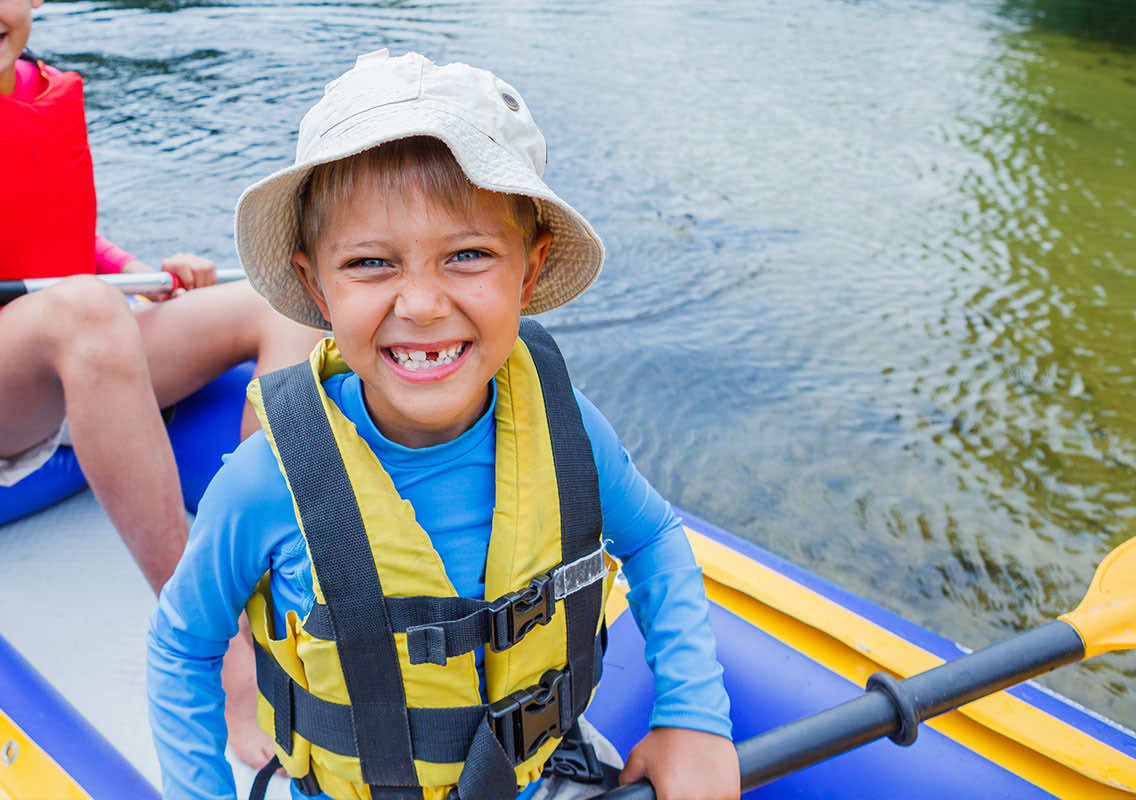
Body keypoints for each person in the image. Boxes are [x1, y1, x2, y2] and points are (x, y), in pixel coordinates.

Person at [146, 50, 740, 800]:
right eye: (369, 263)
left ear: (528, 272)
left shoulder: (569, 434)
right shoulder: (267, 482)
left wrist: (694, 716)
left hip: (544, 776)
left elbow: (654, 540)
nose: (422, 304)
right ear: (314, 285)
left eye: (467, 255)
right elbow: (180, 648)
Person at [0, 0, 318, 769]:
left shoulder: (36, 93)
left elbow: (59, 235)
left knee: (291, 296)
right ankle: (213, 645)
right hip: (23, 376)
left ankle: (261, 574)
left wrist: (134, 273)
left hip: (59, 344)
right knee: (84, 314)